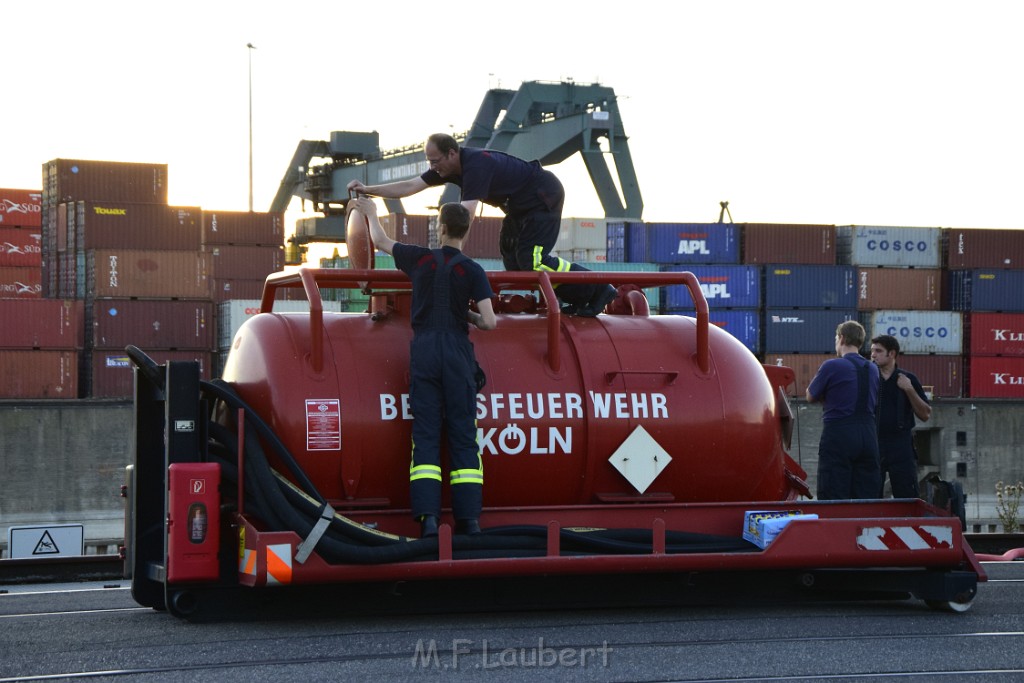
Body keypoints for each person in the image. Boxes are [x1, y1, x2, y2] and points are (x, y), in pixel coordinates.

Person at [347, 133, 617, 316]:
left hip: (541, 198)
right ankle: (574, 297)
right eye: (429, 162)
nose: (433, 167)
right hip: (518, 207)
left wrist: (450, 259)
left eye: (435, 161)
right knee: (514, 264)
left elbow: (466, 214)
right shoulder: (449, 166)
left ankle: (598, 288)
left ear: (452, 153)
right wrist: (368, 189)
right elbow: (410, 185)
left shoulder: (476, 166)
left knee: (532, 260)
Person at [353, 197, 496, 538]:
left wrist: (371, 213)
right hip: (458, 353)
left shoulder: (420, 260)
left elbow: (382, 242)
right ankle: (469, 522)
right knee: (463, 436)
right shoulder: (473, 270)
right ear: (466, 232)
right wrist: (469, 315)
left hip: (426, 350)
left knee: (427, 436)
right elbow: (489, 322)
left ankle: (429, 521)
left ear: (441, 228)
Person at [805, 320, 881, 500]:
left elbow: (810, 395)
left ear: (842, 338)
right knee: (865, 494)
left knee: (833, 491)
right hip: (869, 435)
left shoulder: (832, 366)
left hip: (839, 434)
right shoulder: (873, 368)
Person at [869, 335, 931, 498]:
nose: (873, 355)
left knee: (907, 495)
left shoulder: (908, 379)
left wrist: (909, 389)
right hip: (873, 443)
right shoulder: (868, 379)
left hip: (901, 445)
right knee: (870, 496)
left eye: (878, 351)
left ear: (892, 354)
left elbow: (925, 414)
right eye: (872, 351)